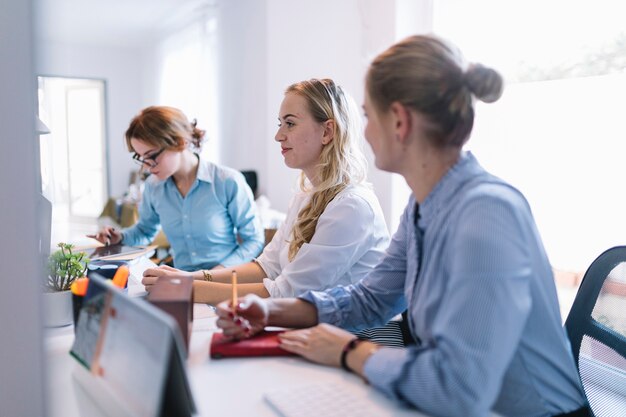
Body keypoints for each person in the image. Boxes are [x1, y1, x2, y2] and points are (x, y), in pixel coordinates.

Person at [215, 35, 589, 417]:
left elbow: (459, 386)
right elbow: (370, 300)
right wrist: (269, 310)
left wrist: (349, 352)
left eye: (366, 115)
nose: (362, 132)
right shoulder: (422, 205)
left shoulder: (487, 214)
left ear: (399, 121)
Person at [142, 79, 390, 310]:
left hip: (360, 336)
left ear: (327, 132)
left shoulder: (351, 207)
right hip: (313, 325)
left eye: (290, 124)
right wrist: (189, 277)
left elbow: (286, 293)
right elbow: (266, 267)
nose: (278, 135)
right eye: (279, 123)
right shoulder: (306, 196)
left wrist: (187, 287)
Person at [88, 106, 264, 271]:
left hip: (224, 282)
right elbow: (145, 230)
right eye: (141, 158)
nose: (148, 167)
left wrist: (216, 274)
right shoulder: (153, 187)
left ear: (180, 142)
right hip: (180, 280)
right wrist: (120, 237)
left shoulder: (227, 182)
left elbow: (254, 241)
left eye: (151, 156)